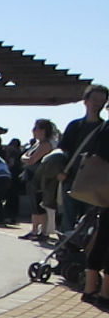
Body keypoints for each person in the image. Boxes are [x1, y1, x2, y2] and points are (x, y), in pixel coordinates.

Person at [58, 83, 108, 233]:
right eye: (95, 99)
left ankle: (84, 252)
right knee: (68, 219)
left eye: (102, 101)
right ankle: (66, 251)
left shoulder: (105, 128)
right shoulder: (74, 126)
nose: (98, 104)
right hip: (71, 178)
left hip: (94, 182)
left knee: (89, 221)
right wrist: (60, 170)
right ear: (85, 101)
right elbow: (63, 150)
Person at [18, 119, 57, 240]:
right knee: (34, 205)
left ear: (43, 130)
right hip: (32, 178)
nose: (33, 131)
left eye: (36, 128)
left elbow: (30, 159)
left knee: (41, 205)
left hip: (41, 178)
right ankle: (34, 230)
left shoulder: (46, 144)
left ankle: (44, 232)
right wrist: (25, 158)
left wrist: (26, 158)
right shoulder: (37, 144)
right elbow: (24, 156)